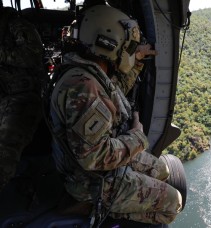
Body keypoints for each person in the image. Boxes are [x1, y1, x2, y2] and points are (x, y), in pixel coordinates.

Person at [47, 4, 182, 225]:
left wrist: (137, 60)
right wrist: (137, 137)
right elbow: (95, 158)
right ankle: (90, 207)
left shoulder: (86, 71)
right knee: (173, 203)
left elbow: (113, 89)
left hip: (98, 163)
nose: (127, 52)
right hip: (90, 181)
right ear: (108, 43)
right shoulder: (83, 87)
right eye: (126, 47)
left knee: (163, 169)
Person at [0, 4, 45, 192]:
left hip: (23, 97)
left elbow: (32, 56)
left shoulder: (16, 25)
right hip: (5, 93)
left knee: (5, 147)